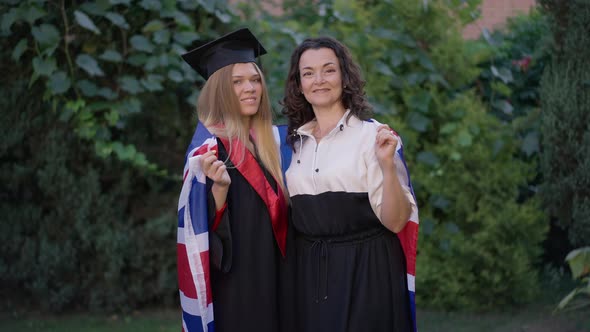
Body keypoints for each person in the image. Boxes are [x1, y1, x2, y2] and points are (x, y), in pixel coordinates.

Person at [282, 36, 420, 332]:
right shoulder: (292, 144)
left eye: (328, 70)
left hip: (367, 271)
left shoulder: (374, 137)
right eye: (308, 73)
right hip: (310, 273)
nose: (319, 80)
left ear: (345, 76)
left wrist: (385, 164)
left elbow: (397, 222)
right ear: (298, 83)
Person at [176, 28, 291, 332]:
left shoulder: (272, 144)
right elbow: (198, 230)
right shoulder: (209, 150)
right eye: (237, 82)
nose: (250, 88)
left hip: (278, 273)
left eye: (254, 80)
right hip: (239, 284)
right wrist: (220, 191)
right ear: (219, 91)